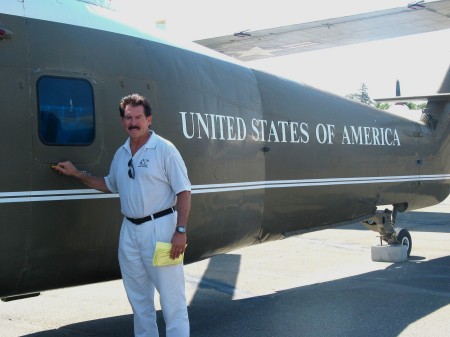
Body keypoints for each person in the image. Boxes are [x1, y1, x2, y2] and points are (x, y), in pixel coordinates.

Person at [53, 93, 191, 337]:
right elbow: (109, 184)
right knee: (139, 301)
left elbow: (184, 191)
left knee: (173, 302)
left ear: (149, 119)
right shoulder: (121, 153)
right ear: (122, 121)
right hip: (130, 232)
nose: (133, 122)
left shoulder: (164, 149)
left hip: (161, 231)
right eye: (128, 118)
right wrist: (77, 174)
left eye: (139, 117)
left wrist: (180, 231)